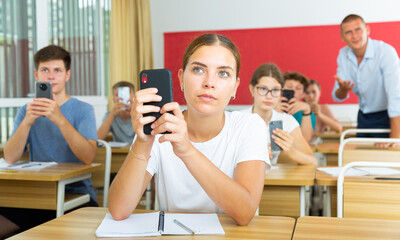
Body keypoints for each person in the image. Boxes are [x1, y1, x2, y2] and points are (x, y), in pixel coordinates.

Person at [108, 34, 270, 226]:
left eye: (223, 73)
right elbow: (118, 210)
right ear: (181, 79)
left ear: (235, 87)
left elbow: (244, 213)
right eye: (199, 69)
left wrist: (187, 150)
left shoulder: (250, 126)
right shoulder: (162, 126)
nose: (209, 82)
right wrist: (143, 142)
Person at [1, 45, 98, 238]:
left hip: (77, 194)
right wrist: (27, 122)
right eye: (45, 70)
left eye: (57, 70)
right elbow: (10, 157)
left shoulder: (83, 110)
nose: (51, 76)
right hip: (37, 195)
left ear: (67, 75)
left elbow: (88, 157)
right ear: (36, 74)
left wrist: (59, 119)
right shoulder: (26, 111)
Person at [332, 14, 400, 147]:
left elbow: (395, 95)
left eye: (358, 29)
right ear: (343, 37)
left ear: (367, 30)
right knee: (360, 159)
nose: (354, 36)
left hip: (388, 116)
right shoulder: (343, 55)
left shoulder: (385, 52)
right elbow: (337, 96)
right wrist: (343, 90)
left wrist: (396, 137)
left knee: (386, 159)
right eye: (348, 32)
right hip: (363, 115)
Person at [244, 63, 317, 165]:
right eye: (263, 89)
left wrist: (291, 151)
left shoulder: (286, 121)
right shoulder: (237, 119)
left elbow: (313, 161)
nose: (269, 96)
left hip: (272, 179)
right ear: (252, 90)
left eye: (275, 90)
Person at [276, 71, 315, 142]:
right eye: (289, 86)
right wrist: (273, 111)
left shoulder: (307, 113)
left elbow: (305, 140)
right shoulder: (272, 107)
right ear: (281, 89)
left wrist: (307, 112)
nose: (293, 90)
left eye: (298, 88)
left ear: (303, 94)